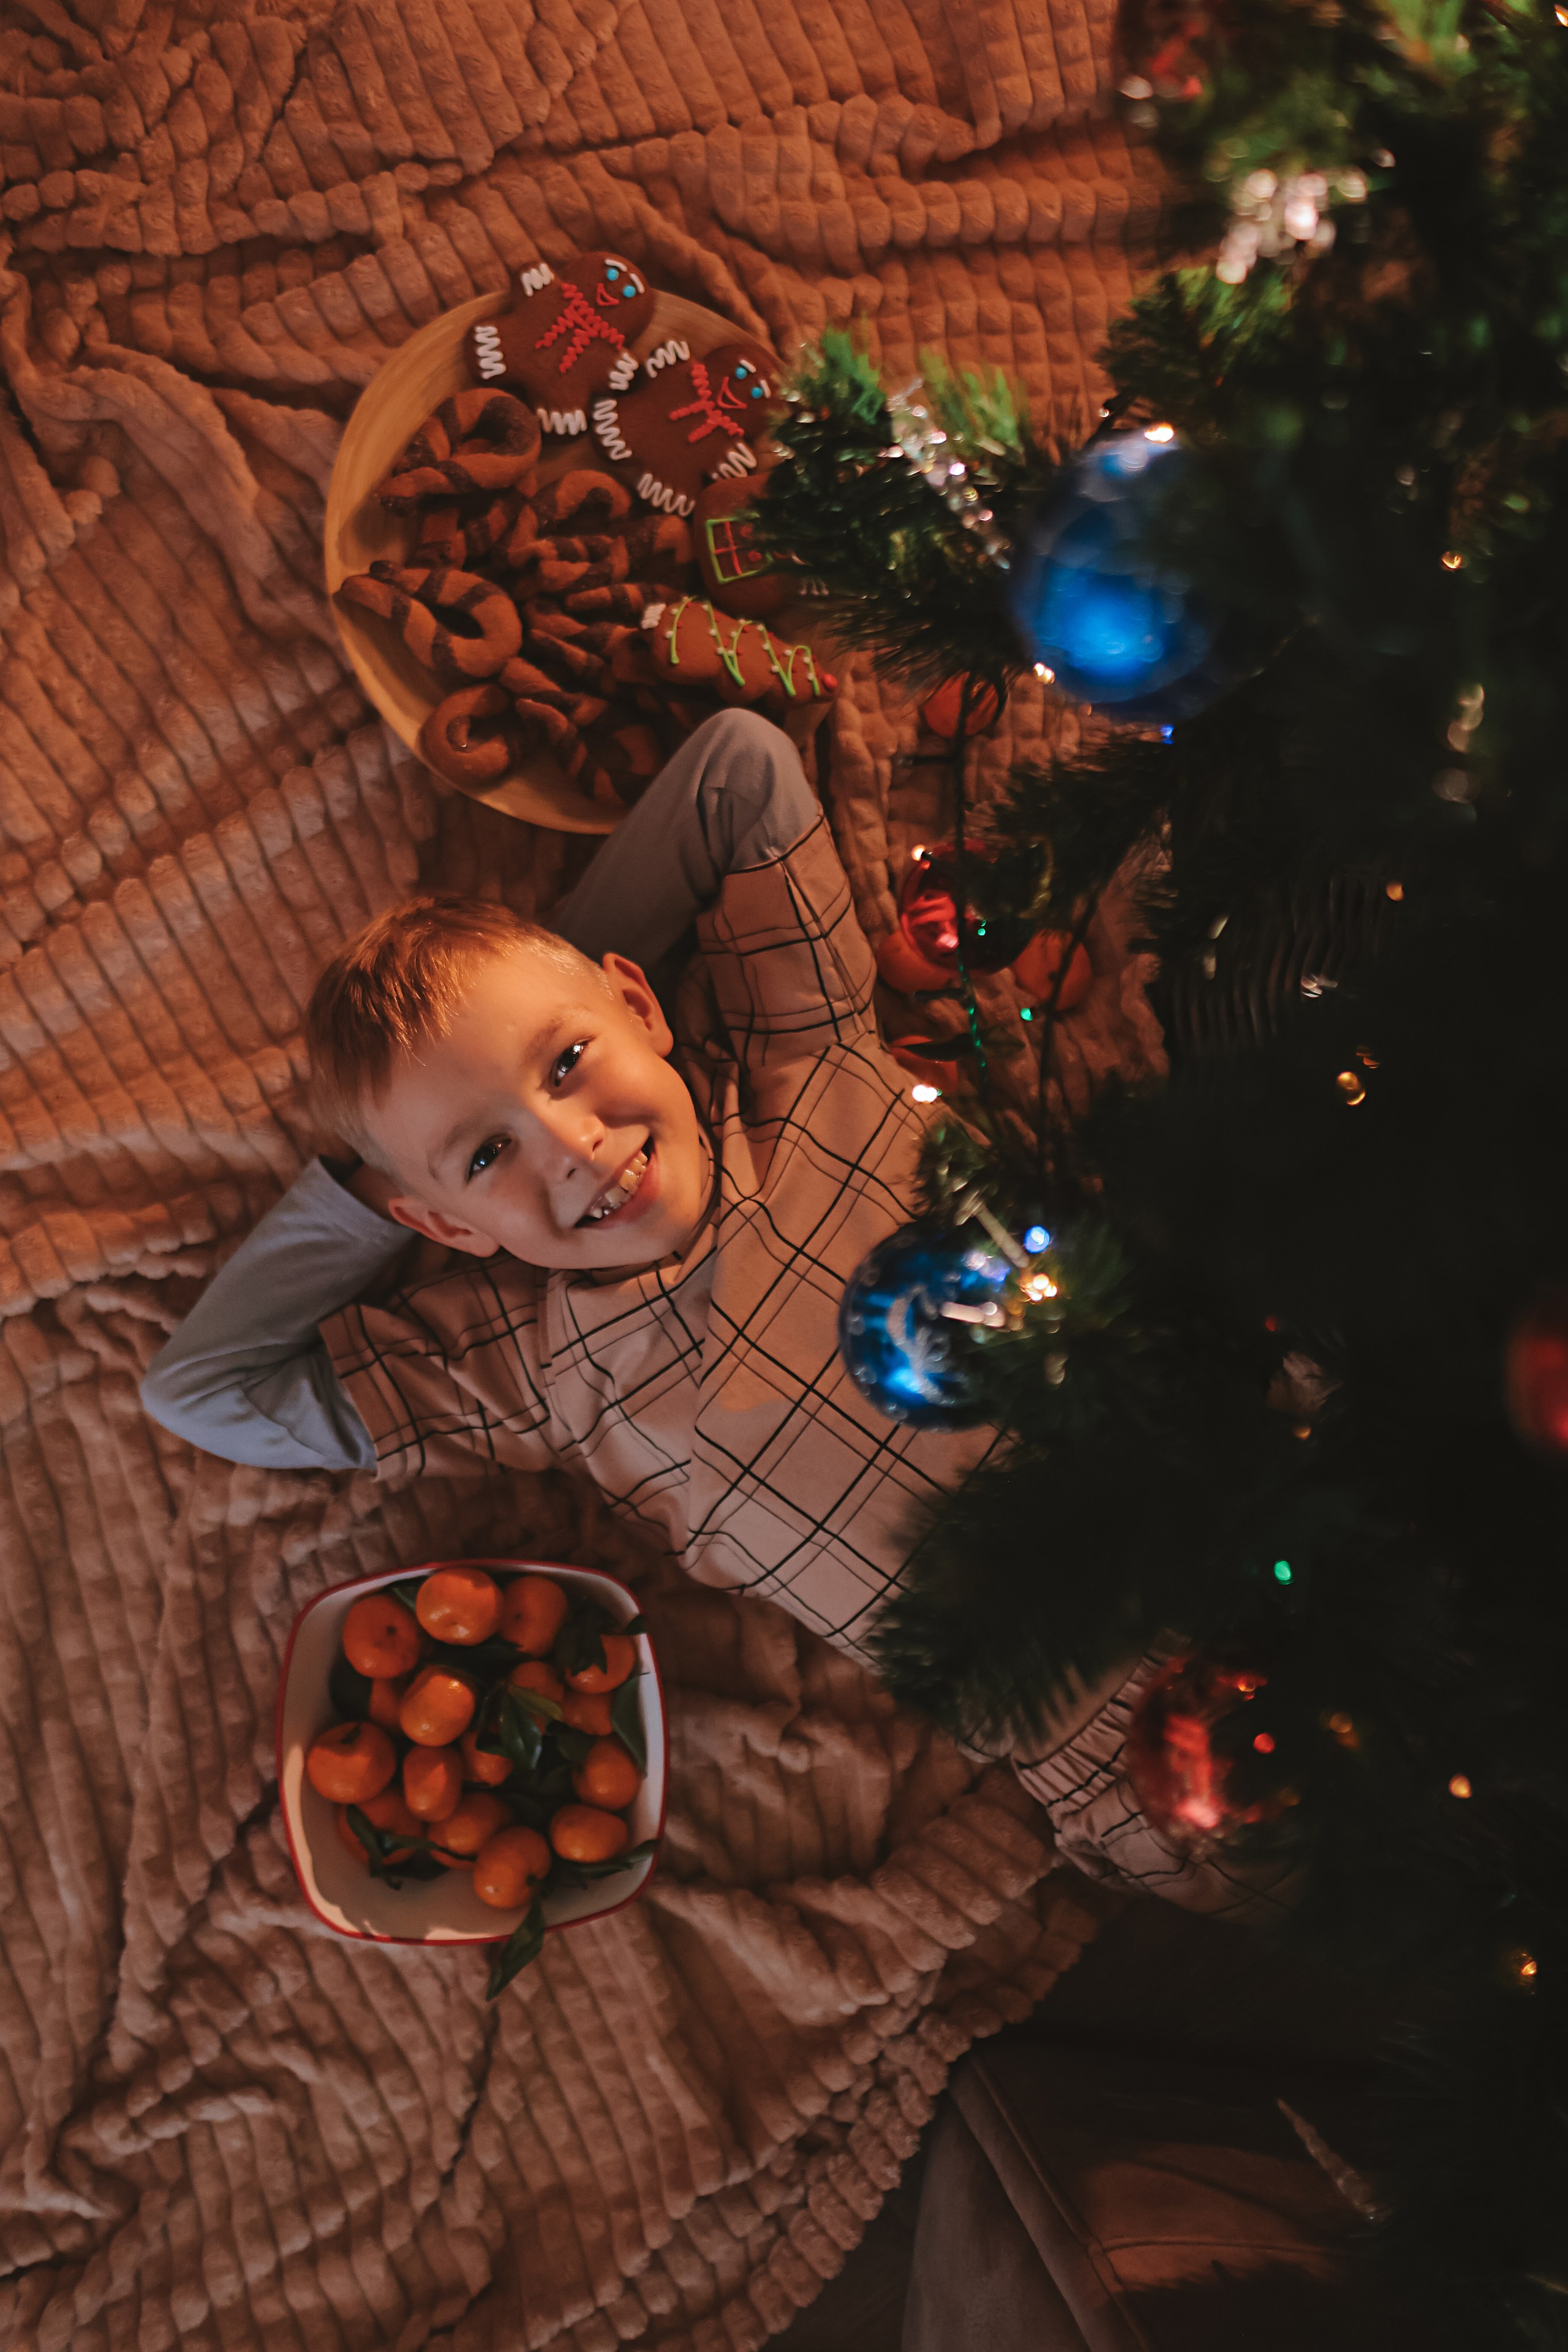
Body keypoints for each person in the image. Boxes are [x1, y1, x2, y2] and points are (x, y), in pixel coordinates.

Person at [141, 709, 1000, 1666]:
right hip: (1089, 1750)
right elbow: (202, 1390)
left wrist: (523, 991)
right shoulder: (528, 1369)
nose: (571, 1146)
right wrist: (378, 1183)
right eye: (483, 1156)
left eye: (566, 1063)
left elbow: (738, 770)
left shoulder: (801, 1053)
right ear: (444, 1226)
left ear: (640, 1003)